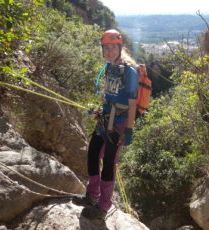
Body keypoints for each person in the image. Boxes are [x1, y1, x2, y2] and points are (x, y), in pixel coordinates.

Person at [73, 29, 139, 220]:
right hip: (104, 118)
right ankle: (91, 196)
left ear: (120, 47)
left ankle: (103, 207)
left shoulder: (130, 71)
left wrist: (129, 129)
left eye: (113, 47)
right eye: (106, 48)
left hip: (118, 123)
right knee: (93, 154)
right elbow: (109, 95)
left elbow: (132, 103)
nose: (109, 51)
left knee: (109, 163)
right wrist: (99, 110)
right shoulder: (109, 67)